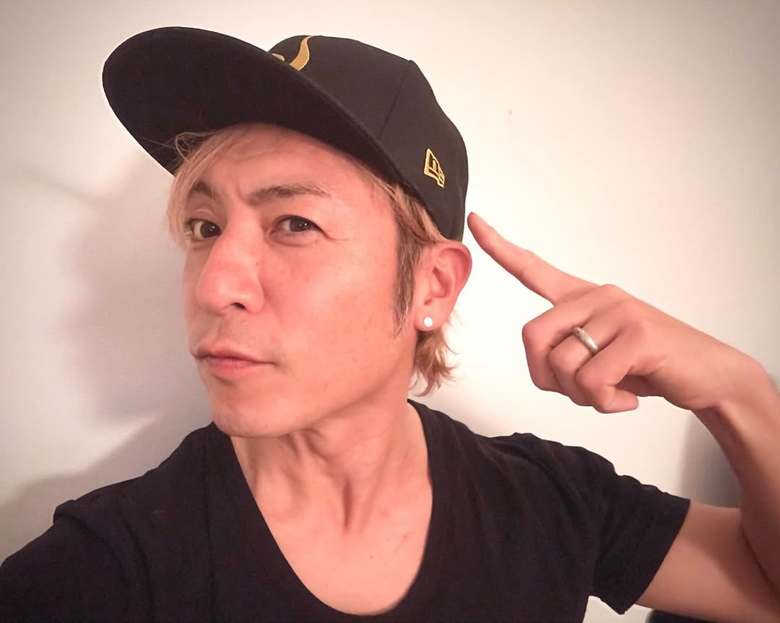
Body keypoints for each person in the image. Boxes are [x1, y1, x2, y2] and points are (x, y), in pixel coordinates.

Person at [1, 26, 778, 623]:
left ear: (431, 286)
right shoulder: (106, 570)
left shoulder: (547, 504)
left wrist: (738, 393)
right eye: (205, 227)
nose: (215, 283)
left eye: (294, 223)